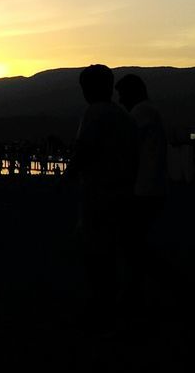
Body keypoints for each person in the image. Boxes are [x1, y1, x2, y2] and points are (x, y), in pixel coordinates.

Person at [68, 64, 139, 335]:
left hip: (100, 193)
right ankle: (112, 301)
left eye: (86, 87)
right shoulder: (125, 116)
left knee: (95, 250)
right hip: (125, 192)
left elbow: (83, 151)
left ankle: (99, 305)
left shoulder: (93, 113)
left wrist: (66, 178)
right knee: (113, 251)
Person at [116, 73, 168, 305]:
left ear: (132, 93)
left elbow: (126, 147)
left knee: (133, 245)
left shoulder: (139, 114)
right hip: (152, 187)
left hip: (143, 190)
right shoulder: (150, 112)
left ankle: (138, 292)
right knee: (135, 243)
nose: (120, 100)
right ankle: (138, 290)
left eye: (122, 95)